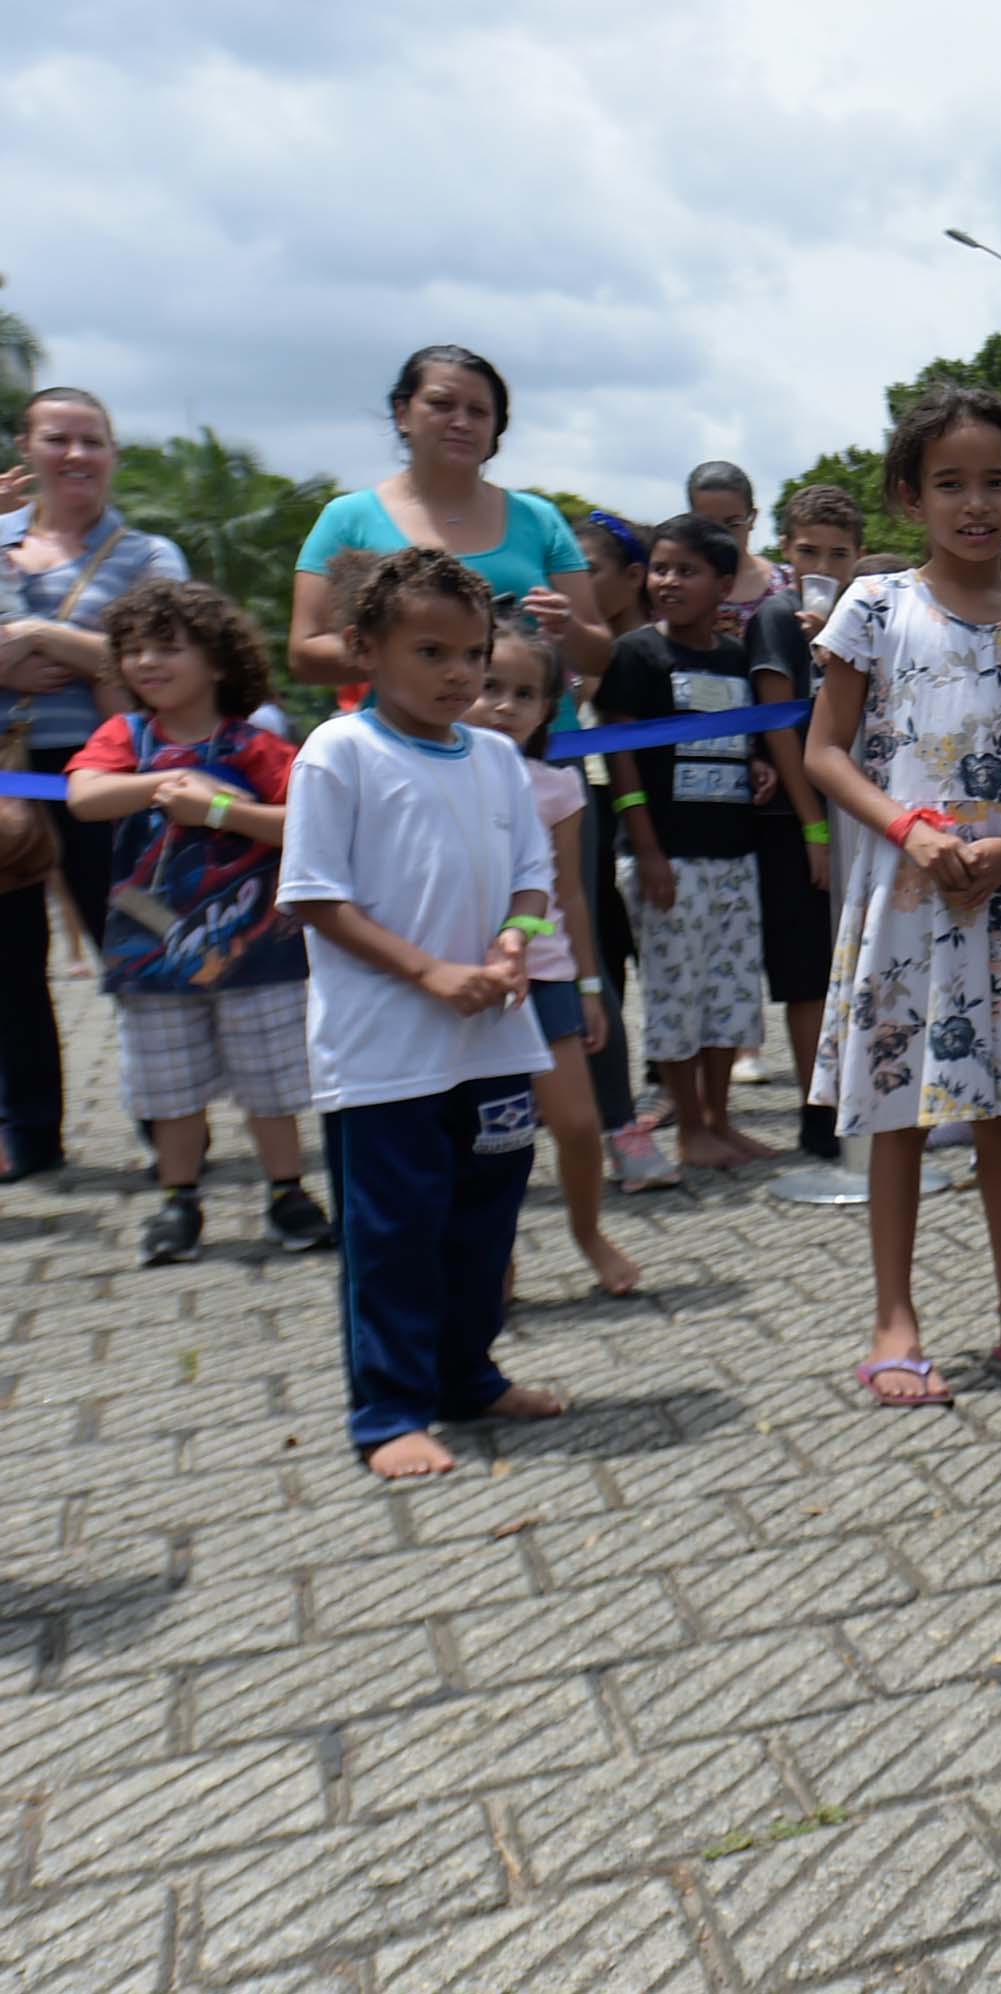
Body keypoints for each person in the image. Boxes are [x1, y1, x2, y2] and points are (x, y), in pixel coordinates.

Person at [803, 385, 1001, 1406]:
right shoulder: (873, 609)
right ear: (909, 497)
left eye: (996, 482)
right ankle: (894, 1318)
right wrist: (911, 833)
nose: (975, 504)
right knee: (897, 1108)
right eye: (950, 483)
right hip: (908, 893)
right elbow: (826, 752)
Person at [276, 548, 566, 1480]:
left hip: (494, 1044)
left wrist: (515, 941)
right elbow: (315, 897)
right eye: (430, 652)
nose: (458, 674)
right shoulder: (339, 751)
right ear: (364, 649)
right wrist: (430, 974)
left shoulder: (497, 758)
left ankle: (467, 1378)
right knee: (394, 1234)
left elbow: (532, 877)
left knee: (483, 1225)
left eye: (472, 653)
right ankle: (389, 1411)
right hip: (384, 1056)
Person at [61, 579, 330, 1263]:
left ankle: (287, 1192)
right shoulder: (124, 736)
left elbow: (305, 821)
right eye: (133, 650)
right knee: (169, 1087)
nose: (146, 662)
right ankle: (178, 1201)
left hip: (258, 952)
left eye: (167, 647)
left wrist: (218, 810)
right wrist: (163, 786)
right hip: (149, 955)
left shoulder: (255, 744)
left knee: (270, 1085)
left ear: (216, 662)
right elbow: (84, 795)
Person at [0, 387, 192, 1183]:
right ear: (27, 450)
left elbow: (171, 654)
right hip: (7, 782)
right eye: (57, 439)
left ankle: (169, 1125)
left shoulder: (149, 556)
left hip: (113, 777)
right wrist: (87, 655)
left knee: (139, 947)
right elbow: (119, 655)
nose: (75, 455)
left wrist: (38, 636)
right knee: (10, 965)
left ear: (113, 453)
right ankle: (28, 1133)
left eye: (92, 440)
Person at [598, 514, 779, 1172]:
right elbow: (620, 756)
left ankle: (721, 1122)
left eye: (686, 570)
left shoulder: (735, 658)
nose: (668, 581)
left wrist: (756, 764)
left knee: (729, 991)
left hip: (733, 852)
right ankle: (690, 1128)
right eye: (660, 568)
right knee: (677, 992)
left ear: (724, 584)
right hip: (666, 856)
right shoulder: (635, 654)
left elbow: (740, 737)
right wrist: (646, 849)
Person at [289, 348, 611, 706]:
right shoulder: (347, 518)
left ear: (496, 428)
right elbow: (304, 653)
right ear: (402, 414)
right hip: (403, 737)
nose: (461, 422)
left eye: (478, 412)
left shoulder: (540, 518)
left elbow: (598, 655)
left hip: (537, 738)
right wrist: (413, 650)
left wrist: (567, 628)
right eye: (441, 405)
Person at [466, 630, 637, 1298]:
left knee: (578, 1125)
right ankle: (494, 1257)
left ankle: (588, 1233)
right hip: (470, 981)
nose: (504, 705)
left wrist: (590, 986)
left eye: (524, 693)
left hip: (547, 976)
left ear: (547, 708)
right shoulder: (435, 776)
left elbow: (571, 894)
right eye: (490, 687)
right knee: (489, 1137)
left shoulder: (559, 787)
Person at [741, 485, 853, 1159]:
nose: (824, 567)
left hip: (861, 813)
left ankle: (863, 1096)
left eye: (839, 554)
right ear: (785, 550)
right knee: (807, 970)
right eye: (810, 552)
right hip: (793, 818)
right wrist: (813, 828)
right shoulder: (777, 616)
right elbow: (780, 729)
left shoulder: (864, 615)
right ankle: (818, 1109)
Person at [568, 511, 676, 1190]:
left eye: (589, 572)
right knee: (601, 950)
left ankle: (667, 1077)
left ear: (632, 576)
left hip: (647, 815)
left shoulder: (654, 650)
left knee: (655, 950)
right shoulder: (568, 646)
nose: (574, 584)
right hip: (585, 805)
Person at [683, 462, 794, 638]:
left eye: (733, 523)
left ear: (752, 519)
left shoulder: (788, 582)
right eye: (708, 524)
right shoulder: (675, 585)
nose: (720, 534)